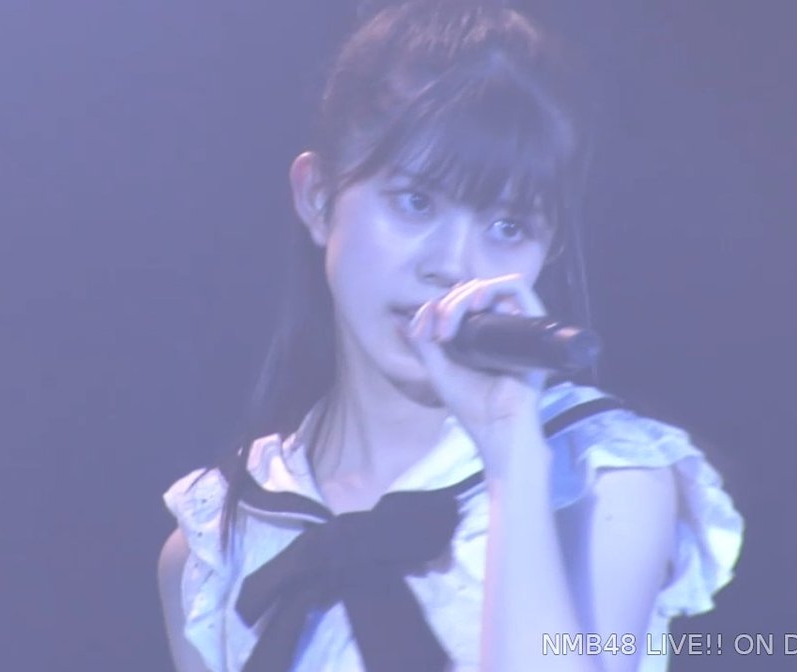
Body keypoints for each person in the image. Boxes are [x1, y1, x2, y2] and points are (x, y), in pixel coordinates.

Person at [157, 1, 744, 670]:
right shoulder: (214, 540)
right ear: (318, 196)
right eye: (416, 201)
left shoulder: (602, 479)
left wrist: (512, 457)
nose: (454, 265)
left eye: (507, 226)